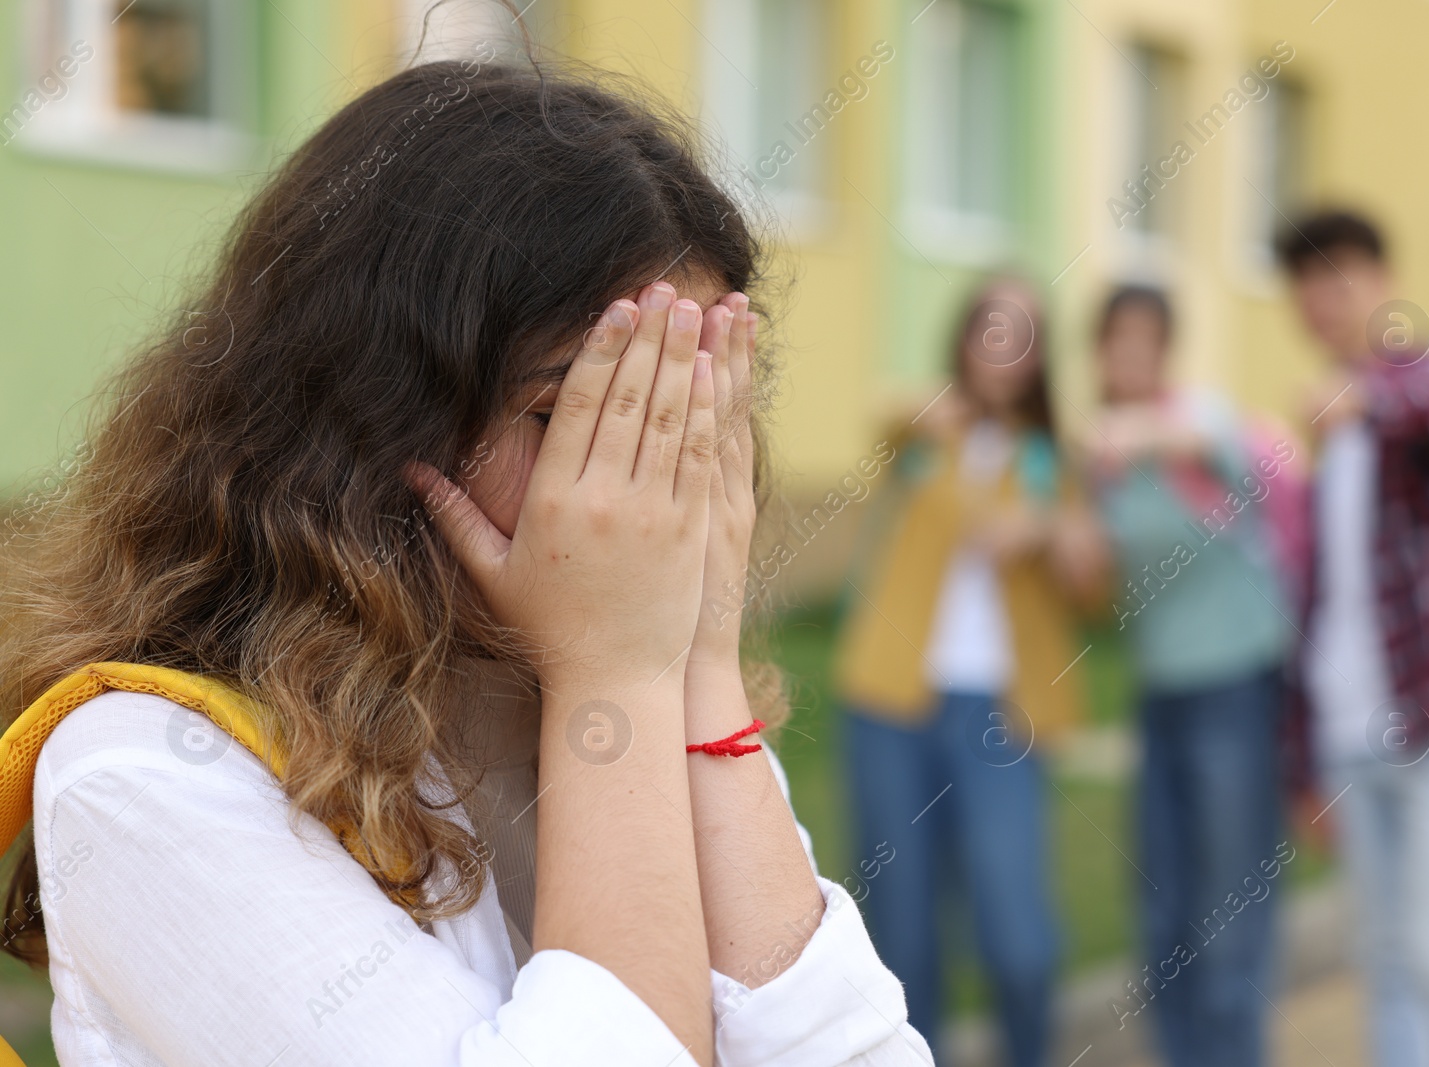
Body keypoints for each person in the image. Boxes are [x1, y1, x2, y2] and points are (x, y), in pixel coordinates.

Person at [0, 55, 932, 1066]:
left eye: (687, 414)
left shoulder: (641, 687)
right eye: (575, 414)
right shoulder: (144, 770)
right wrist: (614, 672)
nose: (661, 488)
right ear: (369, 417)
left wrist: (694, 663)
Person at [833, 275, 1105, 1067]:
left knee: (1018, 937)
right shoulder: (925, 434)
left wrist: (1049, 528)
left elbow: (1094, 591)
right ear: (967, 334)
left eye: (1024, 330)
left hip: (1001, 717)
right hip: (891, 703)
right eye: (994, 323)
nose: (1005, 343)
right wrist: (934, 410)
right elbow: (881, 417)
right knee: (904, 933)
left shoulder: (1050, 458)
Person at [1276, 209, 1429, 1067]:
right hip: (1354, 737)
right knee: (1386, 967)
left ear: (1383, 281)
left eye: (1339, 276)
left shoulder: (1427, 380)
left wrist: (1364, 396)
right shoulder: (1330, 441)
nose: (1322, 299)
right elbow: (1322, 609)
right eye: (1306, 284)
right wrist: (1303, 759)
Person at [1081, 285, 1292, 1067]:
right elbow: (1099, 591)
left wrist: (1140, 437)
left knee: (1230, 908)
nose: (1129, 354)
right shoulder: (1100, 463)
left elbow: (1228, 457)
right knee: (1163, 909)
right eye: (1115, 339)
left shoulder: (1194, 416)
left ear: (1165, 349)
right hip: (1161, 694)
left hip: (1236, 685)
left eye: (1144, 339)